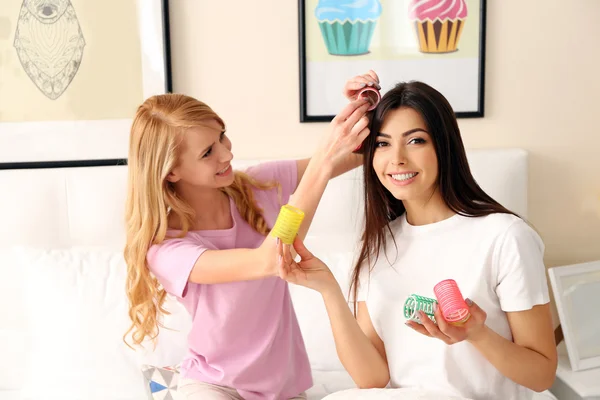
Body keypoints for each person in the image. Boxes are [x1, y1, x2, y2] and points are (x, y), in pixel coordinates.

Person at [277, 81, 558, 400]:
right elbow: (372, 378)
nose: (396, 159)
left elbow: (542, 375)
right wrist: (330, 290)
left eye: (415, 141)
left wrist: (477, 334)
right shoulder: (378, 245)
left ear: (444, 146)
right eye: (382, 144)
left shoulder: (505, 236)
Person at [122, 72, 377, 400]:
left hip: (284, 388)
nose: (227, 154)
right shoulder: (167, 248)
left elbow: (363, 153)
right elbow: (270, 259)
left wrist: (365, 104)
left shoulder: (260, 185)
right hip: (214, 386)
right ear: (171, 171)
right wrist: (321, 165)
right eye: (207, 153)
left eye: (222, 137)